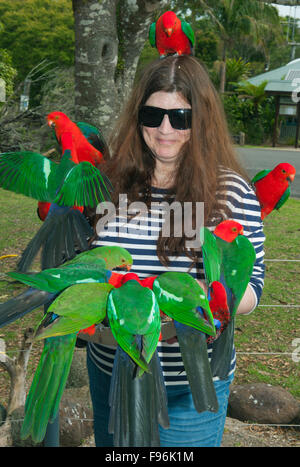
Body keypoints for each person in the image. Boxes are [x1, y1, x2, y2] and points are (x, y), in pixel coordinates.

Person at [86, 54, 265, 447]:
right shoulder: (107, 182)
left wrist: (209, 293)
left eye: (180, 118)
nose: (165, 129)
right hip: (113, 374)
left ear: (201, 121)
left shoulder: (230, 192)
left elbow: (253, 285)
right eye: (153, 116)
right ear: (138, 117)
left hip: (190, 380)